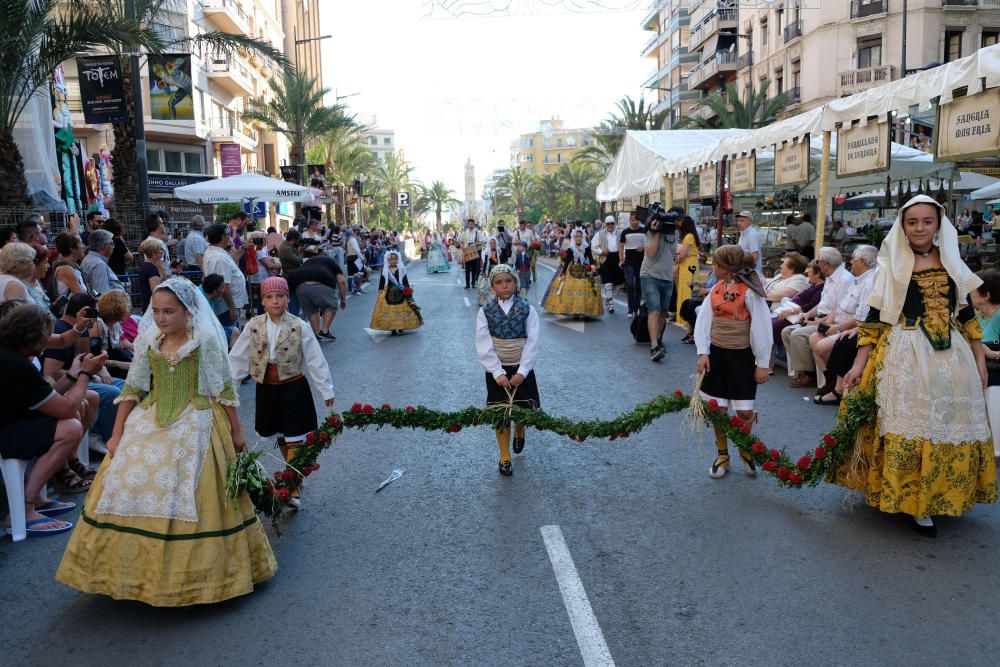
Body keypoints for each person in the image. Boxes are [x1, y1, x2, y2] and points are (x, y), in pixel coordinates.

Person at [56, 278, 277, 605]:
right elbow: (132, 389)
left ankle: (197, 576)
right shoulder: (148, 341)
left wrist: (236, 431)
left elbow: (222, 390)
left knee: (191, 489)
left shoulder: (204, 342)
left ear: (188, 312)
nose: (160, 318)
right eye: (156, 311)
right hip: (152, 417)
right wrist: (117, 435)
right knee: (128, 482)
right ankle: (126, 572)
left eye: (169, 311)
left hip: (199, 416)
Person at [829, 195, 998, 538]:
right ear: (902, 226)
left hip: (952, 356)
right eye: (912, 222)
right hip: (904, 352)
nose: (920, 228)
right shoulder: (892, 264)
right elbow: (875, 317)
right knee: (911, 422)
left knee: (948, 419)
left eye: (927, 221)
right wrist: (859, 364)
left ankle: (939, 495)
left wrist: (979, 358)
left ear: (938, 225)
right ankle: (914, 502)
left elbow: (965, 313)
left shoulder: (951, 260)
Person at [0, 303, 106, 536]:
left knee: (74, 415)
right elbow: (66, 409)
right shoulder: (16, 364)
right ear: (33, 335)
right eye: (46, 335)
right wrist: (86, 374)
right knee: (70, 428)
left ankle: (36, 496)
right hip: (6, 432)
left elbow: (48, 398)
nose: (49, 340)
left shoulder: (10, 352)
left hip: (12, 420)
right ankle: (24, 509)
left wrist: (73, 375)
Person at [229, 276, 334, 509]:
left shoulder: (300, 325)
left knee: (295, 434)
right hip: (266, 388)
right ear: (263, 301)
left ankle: (293, 484)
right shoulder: (253, 325)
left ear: (288, 299)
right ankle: (295, 471)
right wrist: (230, 387)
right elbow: (237, 358)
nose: (275, 301)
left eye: (280, 296)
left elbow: (315, 358)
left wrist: (325, 388)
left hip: (294, 387)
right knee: (281, 434)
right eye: (269, 297)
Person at [694, 245, 772, 479]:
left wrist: (762, 362)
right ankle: (722, 455)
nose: (713, 267)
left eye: (715, 264)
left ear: (726, 268)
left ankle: (745, 449)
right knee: (717, 409)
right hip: (717, 356)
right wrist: (703, 352)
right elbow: (704, 322)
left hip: (742, 358)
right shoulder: (716, 289)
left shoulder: (749, 292)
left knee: (744, 411)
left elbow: (761, 327)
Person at [476, 264, 540, 476]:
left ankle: (520, 428)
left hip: (522, 367)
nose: (504, 285)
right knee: (501, 414)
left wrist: (522, 372)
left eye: (508, 281)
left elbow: (532, 342)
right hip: (498, 370)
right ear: (492, 286)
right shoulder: (485, 312)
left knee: (521, 408)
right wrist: (497, 373)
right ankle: (504, 456)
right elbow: (484, 344)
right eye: (498, 282)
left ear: (515, 282)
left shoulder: (527, 309)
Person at [782, 246, 855, 388]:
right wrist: (808, 315)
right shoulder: (830, 277)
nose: (817, 264)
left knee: (798, 334)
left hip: (832, 321)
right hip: (822, 317)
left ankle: (810, 374)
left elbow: (840, 310)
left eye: (818, 261)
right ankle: (805, 370)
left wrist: (818, 323)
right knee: (787, 331)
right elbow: (823, 303)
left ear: (824, 263)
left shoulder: (845, 279)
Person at [541, 228, 603, 318]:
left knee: (586, 289)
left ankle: (585, 309)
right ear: (574, 238)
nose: (578, 238)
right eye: (577, 236)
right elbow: (566, 263)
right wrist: (563, 273)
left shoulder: (587, 248)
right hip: (572, 271)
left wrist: (593, 266)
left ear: (582, 237)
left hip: (584, 270)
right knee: (572, 290)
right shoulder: (571, 249)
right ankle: (574, 311)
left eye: (580, 236)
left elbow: (591, 259)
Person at [972, 268, 1000, 457]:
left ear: (986, 294)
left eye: (973, 291)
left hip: (995, 378)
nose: (969, 295)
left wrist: (991, 354)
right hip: (978, 375)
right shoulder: (976, 318)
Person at [639, 214, 675, 362]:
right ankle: (654, 346)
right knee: (654, 310)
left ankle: (658, 339)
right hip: (650, 275)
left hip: (667, 277)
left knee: (663, 313)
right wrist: (655, 233)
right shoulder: (649, 233)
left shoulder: (674, 233)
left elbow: (673, 252)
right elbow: (651, 253)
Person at [287, 254, 347, 340]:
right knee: (331, 306)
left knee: (311, 310)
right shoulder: (331, 261)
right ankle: (325, 331)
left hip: (300, 285)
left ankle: (317, 333)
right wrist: (343, 298)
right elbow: (342, 281)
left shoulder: (309, 261)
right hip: (320, 283)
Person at [203, 223, 248, 332]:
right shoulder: (219, 258)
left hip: (227, 304)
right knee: (232, 334)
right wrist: (232, 307)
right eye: (227, 234)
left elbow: (231, 260)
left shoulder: (214, 251)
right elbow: (225, 286)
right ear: (223, 237)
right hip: (227, 306)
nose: (229, 236)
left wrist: (243, 247)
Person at [370, 250, 422, 335]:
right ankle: (393, 328)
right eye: (391, 259)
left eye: (395, 259)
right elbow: (382, 281)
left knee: (402, 310)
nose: (393, 261)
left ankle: (401, 326)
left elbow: (405, 281)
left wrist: (407, 290)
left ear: (398, 260)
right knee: (391, 311)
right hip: (388, 292)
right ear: (388, 260)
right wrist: (380, 290)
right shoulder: (385, 270)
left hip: (400, 292)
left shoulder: (401, 269)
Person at [592, 216, 623, 314]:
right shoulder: (599, 234)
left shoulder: (620, 233)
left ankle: (609, 297)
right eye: (608, 224)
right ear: (604, 225)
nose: (610, 225)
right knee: (608, 281)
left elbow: (624, 246)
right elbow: (593, 247)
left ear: (615, 224)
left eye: (612, 223)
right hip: (606, 259)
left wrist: (623, 257)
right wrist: (601, 251)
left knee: (617, 283)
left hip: (617, 258)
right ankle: (610, 303)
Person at [674, 216, 701, 326]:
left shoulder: (688, 236)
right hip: (691, 263)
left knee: (685, 290)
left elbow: (683, 253)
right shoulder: (692, 235)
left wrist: (676, 259)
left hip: (688, 265)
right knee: (688, 289)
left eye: (680, 222)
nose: (679, 224)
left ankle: (684, 317)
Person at [618, 212, 646, 316]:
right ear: (630, 221)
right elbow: (621, 246)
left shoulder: (644, 231)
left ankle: (637, 307)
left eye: (637, 220)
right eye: (633, 220)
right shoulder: (625, 232)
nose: (635, 222)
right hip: (629, 261)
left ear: (639, 221)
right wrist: (621, 259)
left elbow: (648, 244)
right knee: (630, 284)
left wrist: (643, 248)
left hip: (641, 261)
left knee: (638, 285)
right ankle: (630, 308)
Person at [80, 230, 125, 295]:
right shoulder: (99, 264)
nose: (114, 247)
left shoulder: (89, 259)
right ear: (104, 246)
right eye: (112, 243)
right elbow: (102, 294)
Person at [48, 232, 88, 303]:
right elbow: (80, 298)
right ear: (72, 248)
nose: (84, 246)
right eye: (81, 243)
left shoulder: (74, 266)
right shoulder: (66, 269)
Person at [136, 238, 170, 313]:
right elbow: (155, 290)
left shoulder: (145, 265)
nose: (162, 252)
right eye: (160, 249)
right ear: (154, 253)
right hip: (151, 306)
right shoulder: (151, 268)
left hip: (147, 303)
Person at [735, 210, 762, 275]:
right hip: (745, 270)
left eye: (742, 220)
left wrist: (747, 272)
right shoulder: (743, 233)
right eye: (738, 220)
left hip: (750, 273)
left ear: (749, 221)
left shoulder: (751, 234)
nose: (739, 223)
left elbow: (754, 256)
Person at [461, 219, 484, 290]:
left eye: (472, 224)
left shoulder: (478, 232)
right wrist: (463, 248)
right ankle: (467, 284)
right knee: (467, 268)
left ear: (474, 224)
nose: (470, 225)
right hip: (467, 250)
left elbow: (482, 241)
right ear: (468, 225)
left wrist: (475, 244)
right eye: (469, 224)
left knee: (474, 268)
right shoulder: (465, 233)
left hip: (475, 250)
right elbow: (460, 241)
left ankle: (473, 283)